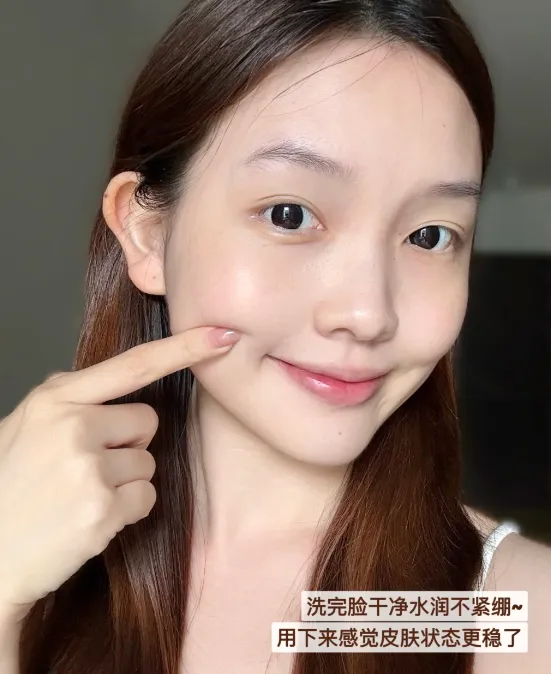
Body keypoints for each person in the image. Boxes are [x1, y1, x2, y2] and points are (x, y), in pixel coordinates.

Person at [0, 0, 549, 672]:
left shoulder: (502, 616)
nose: (366, 313)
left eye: (429, 235)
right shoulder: (30, 558)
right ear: (148, 234)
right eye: (289, 214)